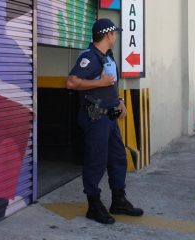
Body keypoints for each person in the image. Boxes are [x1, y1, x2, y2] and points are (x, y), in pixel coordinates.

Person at [66, 18, 143, 224]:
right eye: (115, 33)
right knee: (96, 161)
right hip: (95, 118)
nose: (116, 36)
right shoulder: (89, 57)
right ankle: (93, 205)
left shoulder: (107, 57)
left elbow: (109, 86)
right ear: (108, 34)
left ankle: (118, 200)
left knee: (118, 158)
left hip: (110, 117)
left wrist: (119, 100)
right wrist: (99, 81)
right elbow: (71, 82)